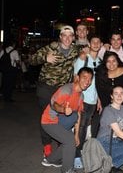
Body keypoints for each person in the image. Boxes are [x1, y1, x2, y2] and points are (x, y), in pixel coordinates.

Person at [30, 25, 82, 158]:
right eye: (64, 35)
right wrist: (44, 58)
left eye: (70, 36)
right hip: (46, 88)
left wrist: (105, 46)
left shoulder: (75, 50)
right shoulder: (51, 48)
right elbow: (31, 59)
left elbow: (87, 46)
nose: (67, 38)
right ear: (60, 37)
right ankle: (47, 145)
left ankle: (60, 140)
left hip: (61, 90)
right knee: (46, 117)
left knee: (60, 116)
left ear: (73, 38)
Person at [41, 67, 94, 173]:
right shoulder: (67, 89)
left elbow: (78, 115)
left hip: (60, 121)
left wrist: (76, 135)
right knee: (69, 140)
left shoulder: (81, 96)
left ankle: (50, 160)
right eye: (84, 77)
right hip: (49, 121)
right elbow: (54, 104)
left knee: (71, 138)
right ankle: (67, 170)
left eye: (90, 79)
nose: (87, 81)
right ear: (78, 78)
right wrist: (63, 109)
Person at [73, 35, 103, 169]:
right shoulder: (83, 58)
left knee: (86, 127)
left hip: (93, 101)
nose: (96, 43)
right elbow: (75, 79)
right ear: (89, 44)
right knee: (81, 127)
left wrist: (99, 99)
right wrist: (76, 98)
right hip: (82, 99)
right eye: (93, 41)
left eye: (98, 42)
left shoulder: (101, 61)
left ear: (101, 44)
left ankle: (82, 151)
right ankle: (76, 155)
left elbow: (98, 84)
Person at [94, 51, 123, 137]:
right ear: (105, 63)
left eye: (114, 61)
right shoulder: (101, 74)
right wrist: (100, 101)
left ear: (118, 61)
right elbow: (100, 91)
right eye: (108, 61)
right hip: (108, 109)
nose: (111, 63)